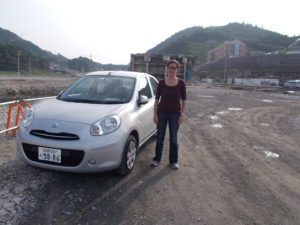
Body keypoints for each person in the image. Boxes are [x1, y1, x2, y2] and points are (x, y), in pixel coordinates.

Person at [152, 59, 187, 169]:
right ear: (167, 69)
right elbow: (157, 100)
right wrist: (155, 114)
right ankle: (157, 159)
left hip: (175, 115)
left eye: (174, 68)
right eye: (170, 67)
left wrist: (182, 114)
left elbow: (184, 100)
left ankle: (173, 161)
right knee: (160, 137)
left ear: (177, 70)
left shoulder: (181, 83)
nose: (171, 69)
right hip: (161, 113)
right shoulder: (161, 83)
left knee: (173, 139)